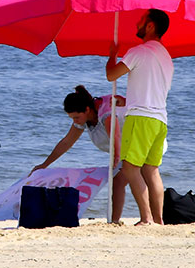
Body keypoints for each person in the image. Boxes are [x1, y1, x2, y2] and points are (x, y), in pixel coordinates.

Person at [106, 8, 173, 225]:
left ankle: (146, 218)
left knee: (129, 168)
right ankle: (158, 220)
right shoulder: (166, 57)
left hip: (141, 117)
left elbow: (111, 75)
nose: (137, 24)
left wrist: (112, 55)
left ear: (150, 26)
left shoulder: (139, 51)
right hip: (160, 119)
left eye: (141, 21)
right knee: (151, 170)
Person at [30, 85, 131, 222]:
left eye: (76, 117)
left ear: (87, 110)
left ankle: (124, 220)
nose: (75, 121)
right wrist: (44, 164)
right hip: (123, 150)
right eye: (72, 118)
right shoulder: (84, 120)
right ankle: (116, 221)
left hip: (136, 143)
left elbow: (116, 136)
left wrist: (116, 158)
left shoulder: (105, 114)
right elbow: (66, 142)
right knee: (120, 182)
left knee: (120, 181)